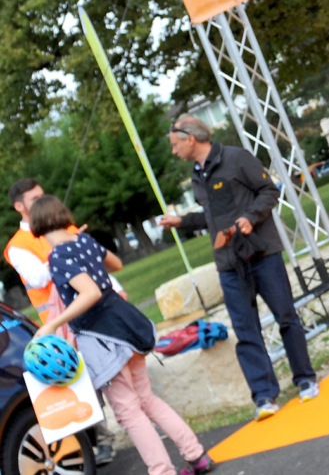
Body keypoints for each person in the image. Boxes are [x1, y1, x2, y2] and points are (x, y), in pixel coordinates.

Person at [30, 196, 213, 475]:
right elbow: (116, 264)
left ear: (37, 225)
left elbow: (89, 293)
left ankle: (162, 471)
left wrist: (53, 325)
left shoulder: (57, 256)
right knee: (146, 399)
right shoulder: (84, 241)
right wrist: (88, 256)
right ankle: (196, 455)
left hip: (100, 335)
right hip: (126, 324)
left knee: (129, 412)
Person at [156, 118, 318, 419]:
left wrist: (251, 217)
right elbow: (212, 216)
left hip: (262, 253)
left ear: (191, 138)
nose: (173, 150)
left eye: (175, 144)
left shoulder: (236, 157)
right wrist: (182, 222)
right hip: (229, 264)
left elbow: (269, 191)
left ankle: (305, 379)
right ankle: (264, 396)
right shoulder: (196, 175)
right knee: (245, 330)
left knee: (285, 316)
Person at [7, 179, 121, 466]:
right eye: (34, 198)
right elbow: (36, 278)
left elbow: (99, 270)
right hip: (56, 325)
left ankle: (102, 440)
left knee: (98, 377)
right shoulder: (17, 246)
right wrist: (63, 252)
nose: (42, 201)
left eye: (42, 196)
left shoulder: (65, 229)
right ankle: (91, 441)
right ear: (19, 207)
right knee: (74, 381)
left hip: (93, 313)